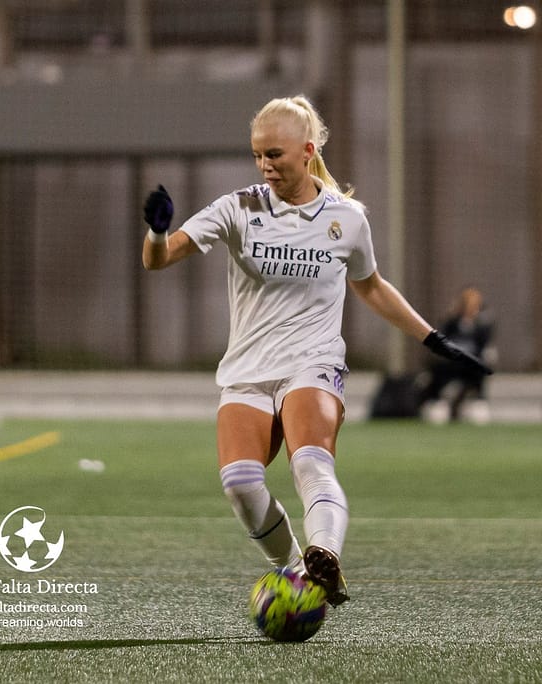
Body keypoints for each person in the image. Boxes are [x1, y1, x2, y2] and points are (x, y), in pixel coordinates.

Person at [140, 95, 491, 607]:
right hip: (247, 371)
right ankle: (298, 572)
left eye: (275, 155)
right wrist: (156, 231)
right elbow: (159, 261)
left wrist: (432, 338)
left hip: (313, 362)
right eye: (258, 154)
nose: (265, 166)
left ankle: (325, 550)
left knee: (311, 462)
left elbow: (371, 287)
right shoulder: (239, 207)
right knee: (239, 483)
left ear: (307, 151)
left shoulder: (346, 220)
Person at [420, 287, 496, 423]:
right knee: (438, 369)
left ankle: (479, 402)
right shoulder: (451, 323)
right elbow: (441, 341)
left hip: (471, 364)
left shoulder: (481, 326)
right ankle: (436, 402)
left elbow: (484, 347)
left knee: (480, 369)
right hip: (452, 363)